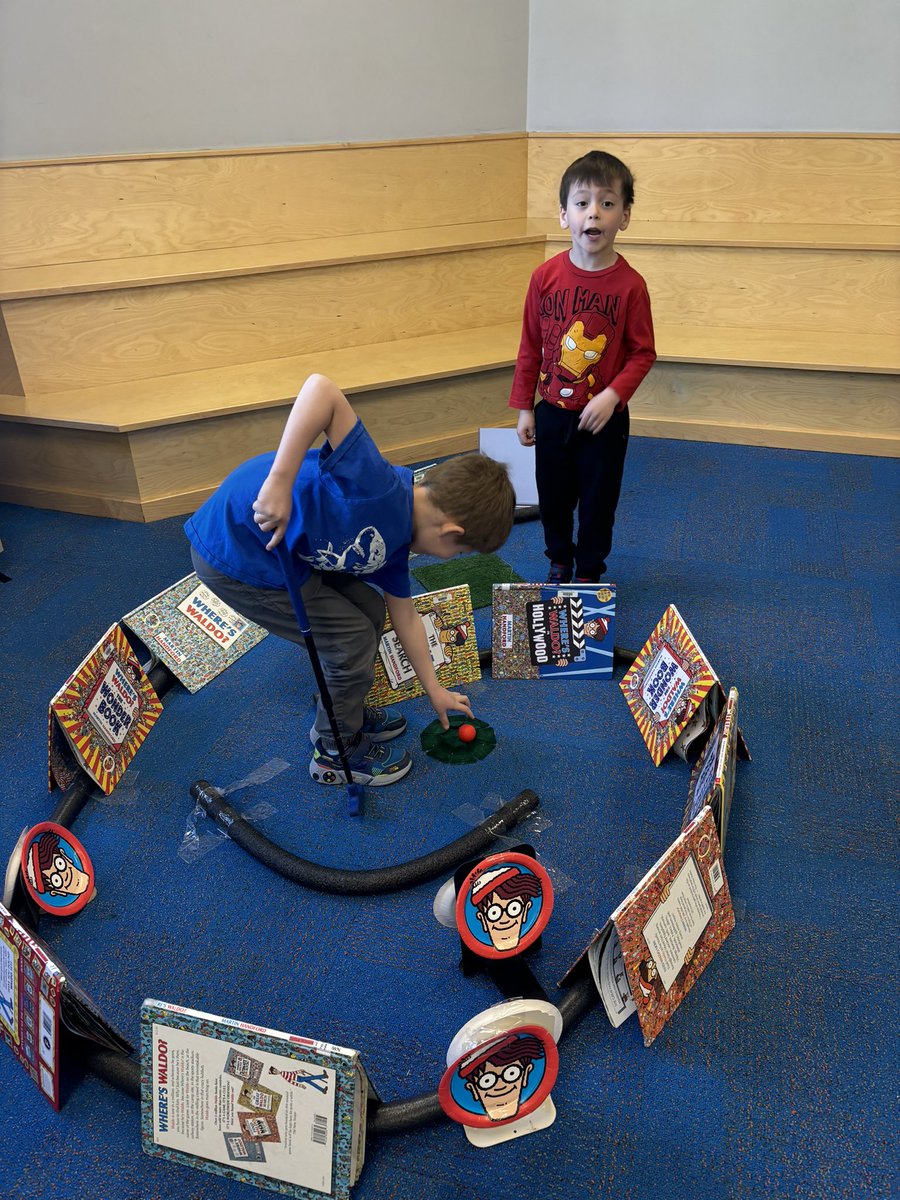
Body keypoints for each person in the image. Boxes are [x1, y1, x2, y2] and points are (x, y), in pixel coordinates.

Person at [185, 373, 515, 786]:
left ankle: (344, 709)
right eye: (460, 552)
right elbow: (321, 390)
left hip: (287, 555)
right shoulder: (377, 487)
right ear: (451, 533)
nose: (454, 557)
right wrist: (280, 481)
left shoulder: (397, 545)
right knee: (350, 639)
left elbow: (406, 618)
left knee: (371, 610)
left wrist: (436, 690)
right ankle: (335, 749)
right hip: (239, 554)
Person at [509, 150, 656, 583]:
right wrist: (524, 407)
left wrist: (613, 397)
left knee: (597, 501)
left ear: (624, 217)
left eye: (607, 204)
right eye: (582, 203)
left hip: (604, 421)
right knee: (553, 497)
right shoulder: (544, 278)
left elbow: (642, 353)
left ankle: (590, 570)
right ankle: (559, 558)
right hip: (552, 412)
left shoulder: (631, 286)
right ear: (563, 215)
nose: (594, 213)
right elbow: (530, 347)